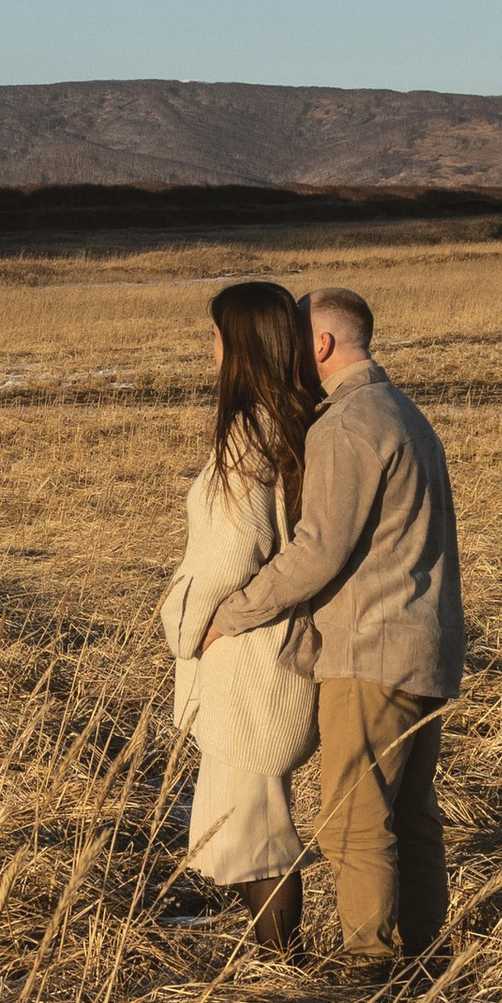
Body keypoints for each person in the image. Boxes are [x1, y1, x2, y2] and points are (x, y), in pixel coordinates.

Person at [199, 285, 463, 969]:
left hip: (371, 651)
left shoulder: (345, 426)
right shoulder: (406, 413)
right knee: (411, 816)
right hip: (428, 646)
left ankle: (370, 969)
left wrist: (231, 613)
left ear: (320, 344)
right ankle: (426, 959)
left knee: (352, 822)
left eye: (296, 338)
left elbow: (317, 551)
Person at [157, 279, 324, 957]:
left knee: (257, 831)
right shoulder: (294, 421)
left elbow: (232, 552)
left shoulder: (248, 432)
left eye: (216, 336)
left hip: (248, 661)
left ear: (242, 345)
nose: (211, 348)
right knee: (252, 823)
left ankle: (283, 969)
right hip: (274, 650)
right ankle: (276, 961)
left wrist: (187, 623)